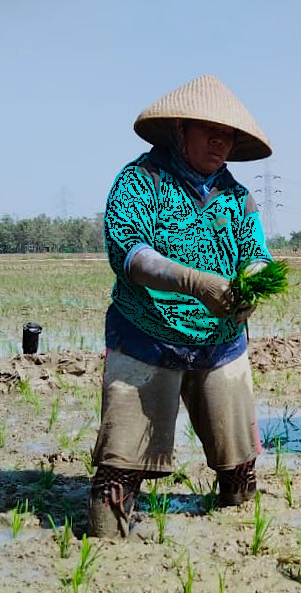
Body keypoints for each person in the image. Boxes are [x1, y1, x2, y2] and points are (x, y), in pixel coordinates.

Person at [88, 75, 275, 538]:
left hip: (220, 343)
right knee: (117, 476)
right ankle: (106, 552)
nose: (219, 142)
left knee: (239, 474)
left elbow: (256, 254)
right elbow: (131, 252)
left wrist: (251, 286)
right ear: (179, 129)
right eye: (209, 130)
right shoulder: (140, 181)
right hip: (145, 337)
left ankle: (236, 547)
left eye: (227, 135)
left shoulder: (239, 197)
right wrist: (194, 281)